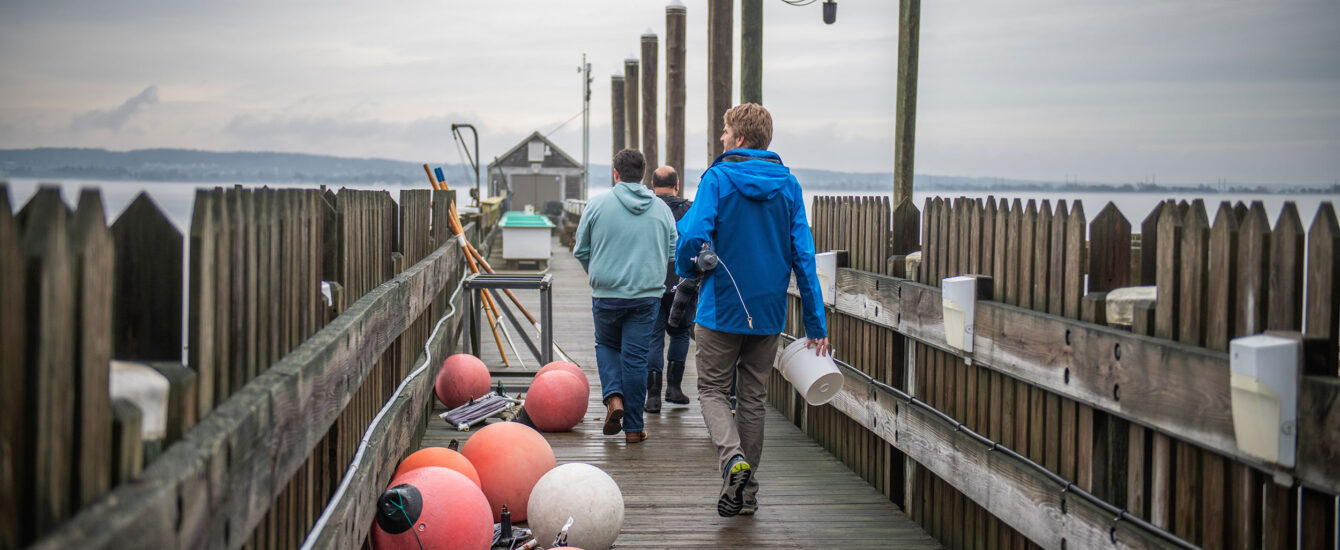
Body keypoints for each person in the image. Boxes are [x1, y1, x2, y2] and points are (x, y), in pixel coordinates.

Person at [674, 103, 830, 517]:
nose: (721, 138)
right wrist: (815, 323)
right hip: (767, 315)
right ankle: (749, 493)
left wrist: (686, 266)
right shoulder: (790, 186)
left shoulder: (718, 178)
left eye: (725, 131)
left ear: (740, 138)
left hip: (721, 307)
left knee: (710, 390)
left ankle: (731, 461)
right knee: (754, 398)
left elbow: (692, 234)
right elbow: (804, 257)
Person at [573, 149, 678, 444]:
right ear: (644, 173)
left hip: (606, 294)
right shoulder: (661, 210)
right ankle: (633, 428)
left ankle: (614, 399)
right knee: (635, 360)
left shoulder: (597, 205)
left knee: (606, 344)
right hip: (646, 297)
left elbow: (581, 251)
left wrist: (597, 274)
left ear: (615, 173)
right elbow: (672, 253)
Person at [645, 165, 694, 413]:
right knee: (680, 333)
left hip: (651, 282)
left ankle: (652, 396)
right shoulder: (689, 209)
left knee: (654, 335)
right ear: (677, 185)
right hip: (682, 282)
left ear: (652, 185)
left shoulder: (646, 208)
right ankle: (674, 389)